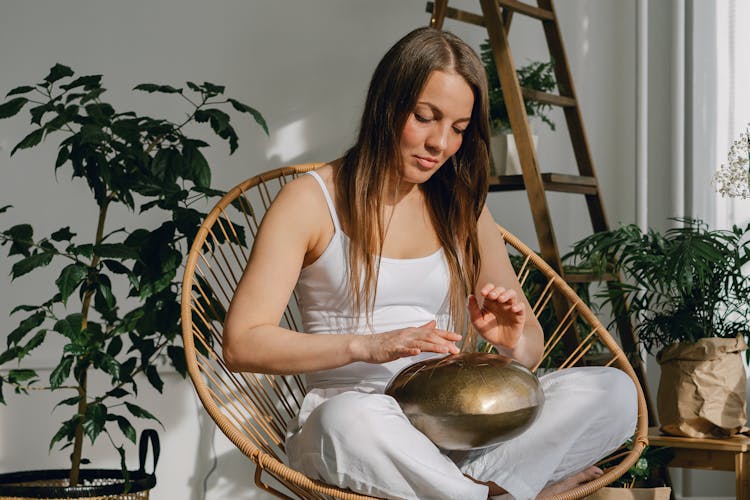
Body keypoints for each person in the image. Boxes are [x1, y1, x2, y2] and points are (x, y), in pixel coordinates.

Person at [224, 27, 638, 500]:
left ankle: (468, 491)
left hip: (461, 434)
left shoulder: (462, 207)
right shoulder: (310, 201)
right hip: (364, 436)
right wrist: (368, 346)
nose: (440, 143)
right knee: (349, 420)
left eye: (459, 129)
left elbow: (529, 350)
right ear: (387, 105)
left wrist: (511, 343)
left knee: (613, 393)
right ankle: (501, 493)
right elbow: (242, 343)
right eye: (425, 117)